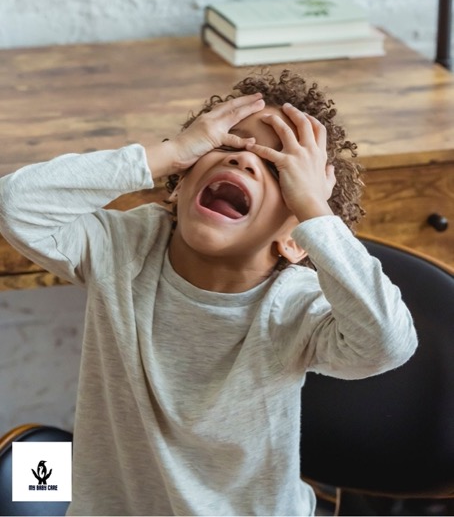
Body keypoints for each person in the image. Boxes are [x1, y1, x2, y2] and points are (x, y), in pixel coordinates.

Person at [0, 70, 417, 516]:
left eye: (280, 170)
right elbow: (17, 205)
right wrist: (167, 153)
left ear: (297, 239)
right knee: (27, 479)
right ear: (179, 183)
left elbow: (388, 344)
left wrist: (314, 207)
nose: (243, 160)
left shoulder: (295, 306)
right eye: (227, 144)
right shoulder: (124, 249)